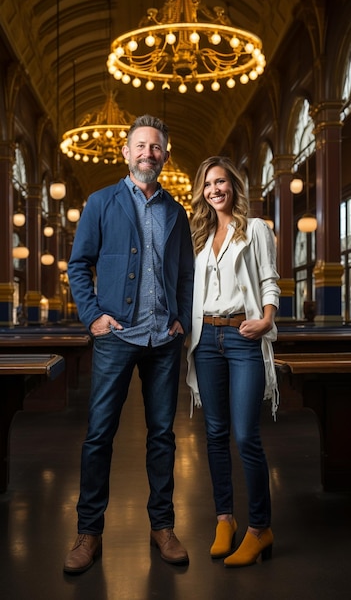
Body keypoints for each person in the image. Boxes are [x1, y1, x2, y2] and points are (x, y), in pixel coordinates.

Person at [64, 114, 194, 574]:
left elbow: (184, 273)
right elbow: (78, 265)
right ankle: (88, 532)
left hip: (163, 341)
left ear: (165, 154)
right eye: (140, 146)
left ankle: (163, 527)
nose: (147, 154)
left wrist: (180, 318)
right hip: (117, 336)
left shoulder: (176, 212)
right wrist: (93, 315)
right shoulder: (100, 203)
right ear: (125, 152)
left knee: (162, 437)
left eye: (155, 147)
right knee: (99, 435)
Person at [186, 156, 280, 567]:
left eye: (220, 182)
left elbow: (268, 279)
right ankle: (225, 519)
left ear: (233, 186)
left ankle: (260, 529)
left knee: (245, 436)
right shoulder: (202, 235)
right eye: (208, 185)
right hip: (206, 338)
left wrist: (266, 320)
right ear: (202, 192)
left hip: (243, 336)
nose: (214, 190)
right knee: (214, 434)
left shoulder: (255, 228)